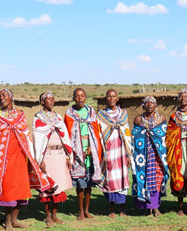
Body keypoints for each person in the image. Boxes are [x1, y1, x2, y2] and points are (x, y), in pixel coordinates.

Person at [0, 89, 51, 231]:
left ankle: (15, 219)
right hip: (3, 158)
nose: (1, 98)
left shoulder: (20, 115)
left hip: (20, 155)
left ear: (11, 97)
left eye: (4, 95)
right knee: (7, 188)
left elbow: (26, 133)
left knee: (20, 187)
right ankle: (8, 221)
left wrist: (33, 156)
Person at [32, 91, 73, 226]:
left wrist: (67, 155)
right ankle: (47, 216)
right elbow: (38, 141)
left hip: (59, 156)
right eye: (48, 99)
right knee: (48, 188)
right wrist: (40, 159)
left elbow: (64, 136)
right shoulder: (38, 118)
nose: (51, 101)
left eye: (52, 99)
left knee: (59, 187)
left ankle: (55, 215)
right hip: (47, 156)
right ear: (42, 102)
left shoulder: (58, 118)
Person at [64, 88, 103, 220]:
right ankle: (80, 211)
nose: (80, 98)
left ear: (86, 97)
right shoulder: (69, 113)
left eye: (82, 96)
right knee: (80, 184)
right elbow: (68, 134)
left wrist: (92, 148)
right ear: (73, 98)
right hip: (77, 152)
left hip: (90, 150)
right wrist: (73, 151)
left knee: (89, 183)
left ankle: (87, 210)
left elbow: (95, 131)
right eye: (77, 96)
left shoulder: (91, 111)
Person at [97, 89, 132, 218]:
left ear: (117, 98)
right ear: (106, 98)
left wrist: (128, 154)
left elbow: (127, 133)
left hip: (121, 151)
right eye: (109, 96)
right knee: (109, 179)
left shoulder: (123, 114)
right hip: (108, 152)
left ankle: (122, 209)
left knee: (122, 178)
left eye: (114, 96)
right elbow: (99, 133)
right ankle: (111, 209)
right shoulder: (101, 115)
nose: (111, 98)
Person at [132, 96, 169, 216]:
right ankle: (148, 207)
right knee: (146, 179)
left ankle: (156, 207)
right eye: (146, 103)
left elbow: (163, 137)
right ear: (143, 105)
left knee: (157, 180)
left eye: (151, 103)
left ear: (156, 106)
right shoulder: (138, 120)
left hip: (157, 155)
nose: (149, 104)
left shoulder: (161, 119)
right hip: (143, 156)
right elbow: (135, 137)